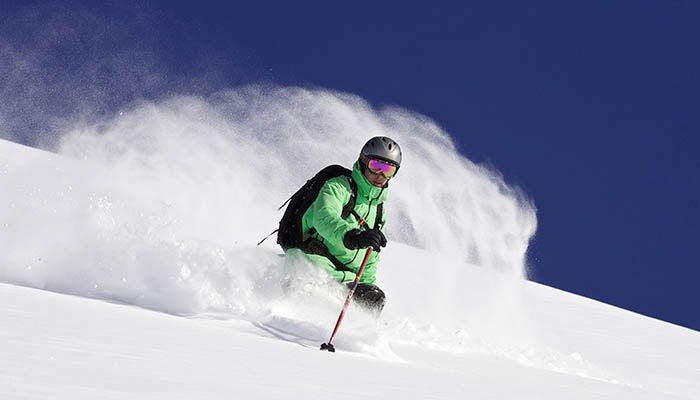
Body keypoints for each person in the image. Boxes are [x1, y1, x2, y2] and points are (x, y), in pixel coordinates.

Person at [286, 136, 402, 312]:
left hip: (346, 280)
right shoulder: (338, 187)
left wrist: (368, 287)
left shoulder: (379, 211)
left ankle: (354, 335)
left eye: (388, 170)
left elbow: (370, 257)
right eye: (376, 166)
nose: (381, 175)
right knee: (310, 296)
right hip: (313, 261)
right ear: (363, 162)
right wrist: (353, 237)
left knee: (373, 299)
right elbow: (324, 218)